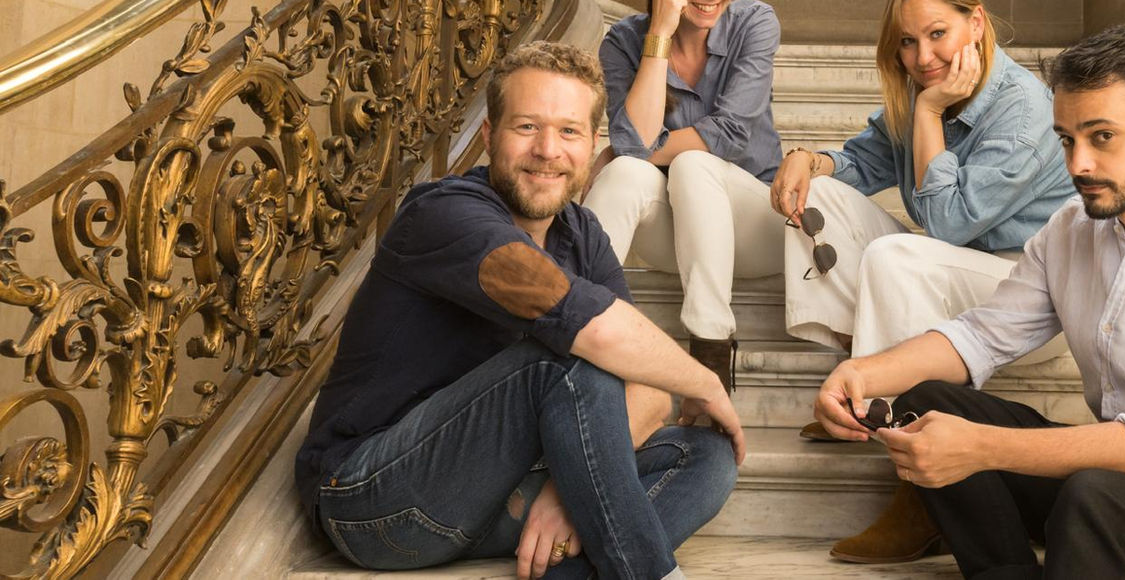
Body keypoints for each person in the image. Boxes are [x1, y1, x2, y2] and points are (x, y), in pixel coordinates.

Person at [814, 24, 1125, 578]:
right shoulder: (1070, 230)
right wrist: (861, 373)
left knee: (1094, 501)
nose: (1078, 164)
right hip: (1123, 484)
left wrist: (984, 448)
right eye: (1066, 139)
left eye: (1102, 136)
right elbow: (980, 336)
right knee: (930, 401)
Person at [294, 42, 745, 579]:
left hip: (494, 495)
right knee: (564, 359)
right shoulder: (444, 213)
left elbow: (647, 391)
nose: (548, 150)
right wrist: (706, 381)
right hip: (375, 497)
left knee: (706, 455)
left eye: (569, 131)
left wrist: (567, 489)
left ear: (593, 144)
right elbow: (591, 332)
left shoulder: (582, 233)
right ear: (489, 136)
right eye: (527, 126)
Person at [770, 0, 1073, 364]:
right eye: (907, 41)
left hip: (1027, 300)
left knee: (894, 257)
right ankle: (860, 350)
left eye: (938, 33)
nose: (924, 57)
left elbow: (948, 225)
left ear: (976, 23)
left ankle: (882, 386)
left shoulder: (1022, 110)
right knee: (819, 194)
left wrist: (929, 111)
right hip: (952, 273)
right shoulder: (925, 93)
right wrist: (807, 160)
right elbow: (862, 164)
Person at [583, 0, 783, 393]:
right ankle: (576, 321)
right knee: (624, 173)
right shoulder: (623, 42)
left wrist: (624, 148)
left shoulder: (754, 22)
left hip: (758, 228)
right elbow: (633, 146)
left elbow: (728, 134)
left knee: (691, 164)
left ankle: (710, 356)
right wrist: (659, 34)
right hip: (680, 235)